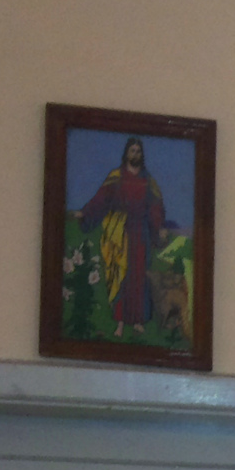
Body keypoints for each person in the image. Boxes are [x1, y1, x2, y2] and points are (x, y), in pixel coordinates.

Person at [77, 136, 173, 337]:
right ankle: (120, 323)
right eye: (132, 151)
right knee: (121, 276)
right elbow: (101, 199)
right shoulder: (117, 176)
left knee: (139, 276)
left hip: (141, 233)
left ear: (142, 155)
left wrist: (159, 227)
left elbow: (155, 207)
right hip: (120, 231)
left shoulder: (147, 181)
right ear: (126, 154)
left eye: (138, 151)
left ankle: (138, 321)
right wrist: (85, 213)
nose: (135, 154)